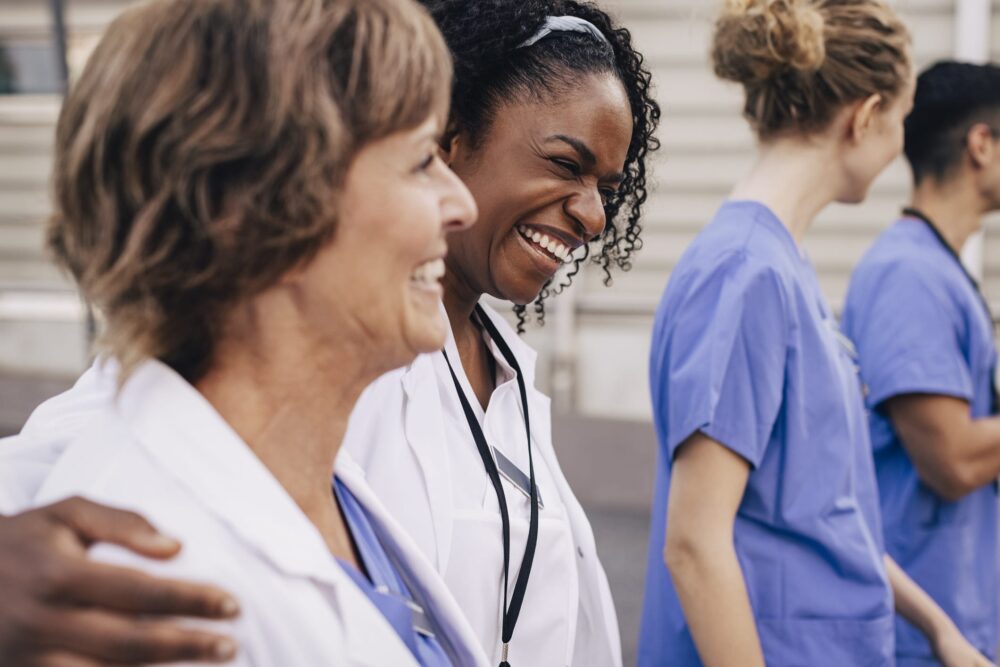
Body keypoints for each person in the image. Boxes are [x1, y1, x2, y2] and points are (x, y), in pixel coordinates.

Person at [0, 1, 660, 665]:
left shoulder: (356, 454)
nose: (596, 217)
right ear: (274, 203)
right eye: (419, 160)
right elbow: (84, 440)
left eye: (606, 188)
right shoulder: (163, 567)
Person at [638, 1, 992, 666]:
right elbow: (694, 544)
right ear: (865, 116)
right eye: (901, 119)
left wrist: (936, 625)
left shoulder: (780, 267)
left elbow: (824, 511)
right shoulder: (746, 272)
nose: (899, 146)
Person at [842, 60, 1000, 666]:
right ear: (981, 144)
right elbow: (953, 461)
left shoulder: (936, 268)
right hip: (914, 636)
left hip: (957, 620)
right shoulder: (908, 275)